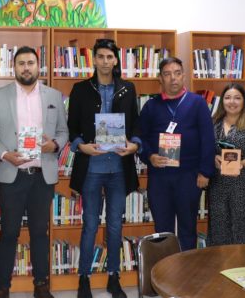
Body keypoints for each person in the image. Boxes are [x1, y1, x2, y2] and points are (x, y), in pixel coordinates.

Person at [0, 46, 69, 298]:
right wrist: (4, 155)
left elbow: (63, 132)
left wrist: (54, 145)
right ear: (14, 67)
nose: (26, 67)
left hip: (41, 176)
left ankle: (41, 284)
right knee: (8, 232)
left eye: (30, 62)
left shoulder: (54, 95)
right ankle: (3, 286)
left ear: (38, 65)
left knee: (39, 233)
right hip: (12, 175)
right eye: (21, 63)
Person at [67, 39, 141, 298]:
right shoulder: (80, 89)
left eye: (110, 56)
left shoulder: (128, 89)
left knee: (114, 226)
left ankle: (113, 276)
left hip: (119, 169)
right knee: (89, 224)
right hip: (91, 168)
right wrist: (80, 146)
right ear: (94, 59)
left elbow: (136, 125)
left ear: (116, 60)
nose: (105, 61)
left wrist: (135, 145)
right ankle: (84, 278)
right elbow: (71, 127)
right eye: (101, 56)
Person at [139, 57, 214, 251]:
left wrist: (205, 172)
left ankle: (187, 276)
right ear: (160, 79)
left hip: (188, 176)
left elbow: (208, 139)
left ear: (183, 76)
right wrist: (149, 156)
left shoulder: (197, 103)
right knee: (162, 229)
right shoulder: (151, 106)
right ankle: (164, 275)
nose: (173, 78)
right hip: (160, 176)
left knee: (188, 227)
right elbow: (140, 138)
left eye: (177, 73)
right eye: (167, 74)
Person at [207, 83, 245, 246]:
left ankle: (239, 270)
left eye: (237, 98)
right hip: (218, 185)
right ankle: (219, 268)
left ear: (244, 101)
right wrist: (213, 158)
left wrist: (242, 163)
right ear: (222, 101)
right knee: (218, 231)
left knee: (241, 232)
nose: (232, 102)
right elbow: (205, 148)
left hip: (244, 185)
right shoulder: (214, 122)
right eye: (227, 98)